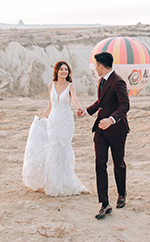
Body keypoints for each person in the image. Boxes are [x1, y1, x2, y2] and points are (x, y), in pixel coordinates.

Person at [22, 60, 89, 196]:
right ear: (56, 71)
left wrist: (79, 108)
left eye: (66, 69)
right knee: (53, 148)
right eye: (61, 69)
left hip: (66, 121)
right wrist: (42, 117)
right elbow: (50, 105)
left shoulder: (71, 86)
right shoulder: (51, 85)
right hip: (53, 120)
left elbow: (75, 99)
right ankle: (54, 182)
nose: (64, 72)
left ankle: (66, 181)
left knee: (64, 148)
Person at [77, 52, 130, 220]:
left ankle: (121, 193)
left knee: (118, 163)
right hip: (100, 129)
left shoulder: (118, 81)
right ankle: (104, 204)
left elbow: (125, 105)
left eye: (95, 65)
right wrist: (86, 111)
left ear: (100, 66)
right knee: (100, 163)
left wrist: (112, 120)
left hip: (117, 130)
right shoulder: (102, 81)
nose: (95, 68)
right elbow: (101, 102)